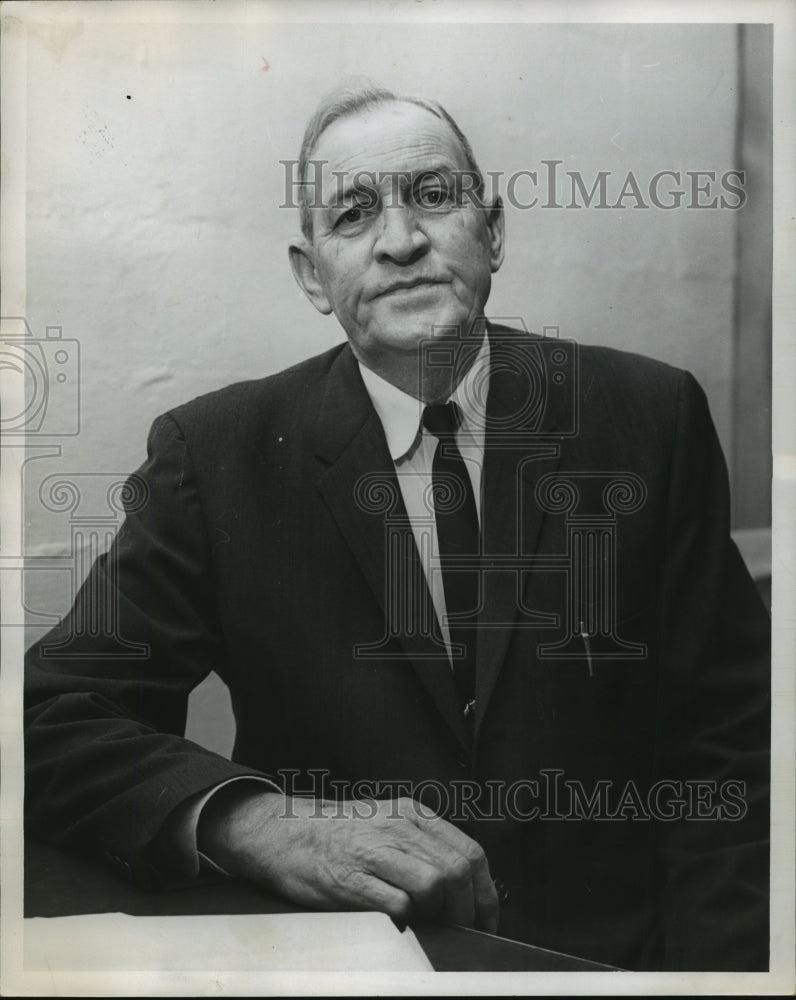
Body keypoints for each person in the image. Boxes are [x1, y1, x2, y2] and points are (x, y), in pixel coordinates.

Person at [24, 83, 770, 971]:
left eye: (432, 195)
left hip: (611, 965)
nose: (401, 241)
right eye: (353, 214)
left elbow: (732, 752)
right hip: (336, 971)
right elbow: (50, 718)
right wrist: (251, 818)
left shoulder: (650, 417)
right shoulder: (214, 455)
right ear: (312, 275)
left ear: (491, 231)